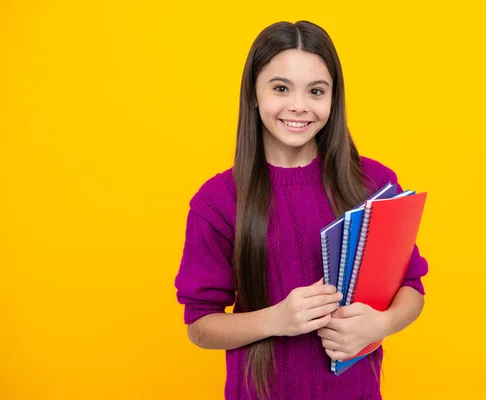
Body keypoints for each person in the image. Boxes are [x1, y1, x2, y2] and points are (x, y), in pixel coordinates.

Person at [174, 20, 428, 400]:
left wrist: (382, 324)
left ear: (333, 98)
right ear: (253, 94)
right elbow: (200, 325)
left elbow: (412, 287)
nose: (299, 106)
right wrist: (275, 319)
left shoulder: (373, 183)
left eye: (316, 91)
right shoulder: (218, 200)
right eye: (280, 88)